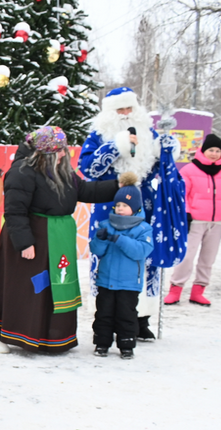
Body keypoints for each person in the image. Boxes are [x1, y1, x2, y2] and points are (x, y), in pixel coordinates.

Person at [0, 126, 118, 353]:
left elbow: (87, 192)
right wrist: (24, 243)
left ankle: (47, 336)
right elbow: (15, 211)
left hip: (56, 240)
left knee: (50, 289)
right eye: (60, 150)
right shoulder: (21, 172)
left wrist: (118, 186)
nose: (64, 154)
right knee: (22, 287)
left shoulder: (63, 173)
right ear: (44, 153)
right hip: (30, 240)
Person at [79, 86, 187, 341]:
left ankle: (141, 319)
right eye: (120, 109)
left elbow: (160, 168)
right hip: (109, 204)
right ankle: (107, 318)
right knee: (108, 257)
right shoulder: (98, 135)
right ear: (109, 112)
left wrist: (166, 150)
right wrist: (117, 146)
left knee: (142, 259)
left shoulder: (149, 133)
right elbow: (87, 169)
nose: (126, 114)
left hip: (144, 206)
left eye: (129, 108)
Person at [164, 133, 221, 306]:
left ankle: (199, 291)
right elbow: (182, 195)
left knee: (208, 259)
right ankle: (176, 288)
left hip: (217, 222)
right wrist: (186, 214)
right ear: (203, 151)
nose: (214, 153)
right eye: (211, 150)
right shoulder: (190, 170)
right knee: (187, 257)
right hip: (194, 221)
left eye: (217, 150)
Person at [89, 173, 154, 359]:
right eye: (117, 205)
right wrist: (100, 240)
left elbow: (141, 251)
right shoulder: (106, 225)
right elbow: (96, 250)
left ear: (134, 208)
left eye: (125, 206)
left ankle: (126, 345)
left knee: (126, 315)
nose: (120, 209)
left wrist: (120, 239)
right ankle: (102, 343)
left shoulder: (143, 229)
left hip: (129, 282)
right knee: (104, 314)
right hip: (106, 280)